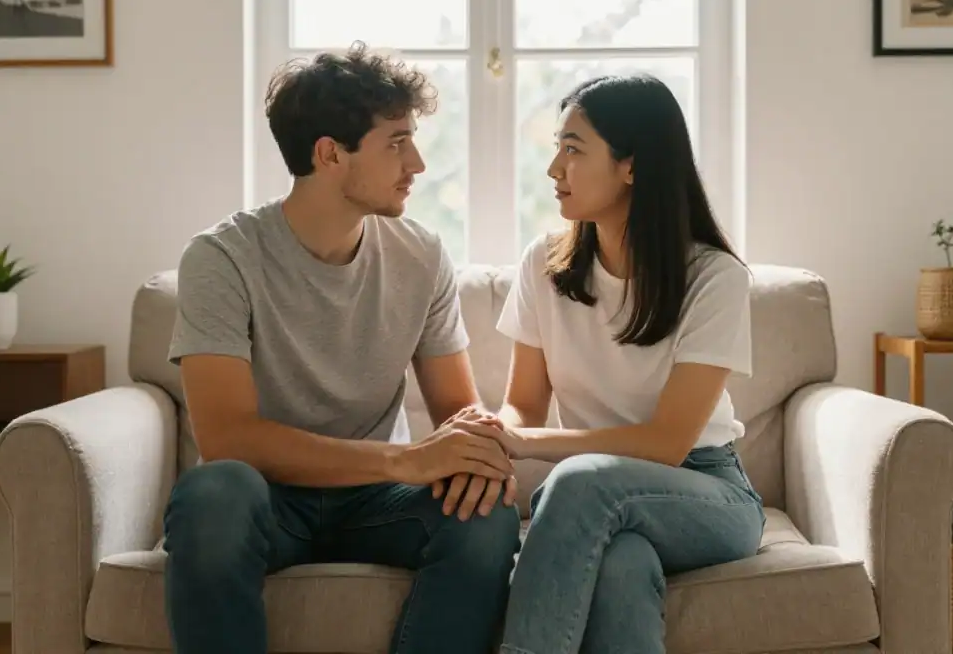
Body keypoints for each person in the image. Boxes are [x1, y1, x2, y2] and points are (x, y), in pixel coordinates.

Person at [162, 42, 521, 654]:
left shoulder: (420, 254)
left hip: (376, 505)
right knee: (214, 492)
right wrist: (402, 462)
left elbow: (457, 418)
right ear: (330, 154)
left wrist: (476, 448)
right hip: (266, 500)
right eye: (396, 143)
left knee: (486, 516)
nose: (418, 163)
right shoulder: (221, 258)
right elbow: (229, 439)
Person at [455, 74, 767, 654]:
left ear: (633, 165)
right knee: (622, 564)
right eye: (557, 147)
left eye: (573, 149)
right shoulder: (545, 264)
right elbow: (524, 402)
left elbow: (668, 442)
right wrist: (498, 434)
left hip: (707, 491)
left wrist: (527, 443)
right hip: (598, 495)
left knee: (577, 483)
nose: (554, 169)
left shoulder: (714, 278)